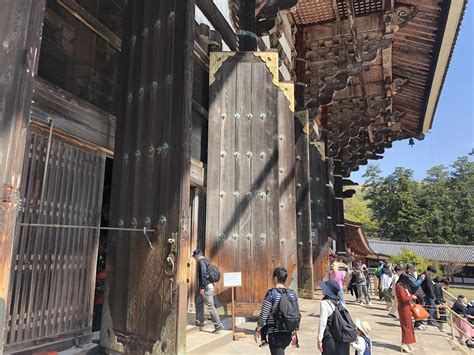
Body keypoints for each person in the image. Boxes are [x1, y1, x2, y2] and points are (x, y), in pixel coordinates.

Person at [255, 267, 299, 355]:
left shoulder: (272, 294)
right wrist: (295, 331)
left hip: (276, 333)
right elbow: (296, 312)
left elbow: (263, 315)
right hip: (288, 332)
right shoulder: (292, 294)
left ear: (275, 278)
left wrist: (258, 330)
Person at [192, 249, 224, 333]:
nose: (194, 258)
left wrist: (202, 287)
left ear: (197, 256)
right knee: (199, 302)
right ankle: (199, 321)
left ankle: (218, 325)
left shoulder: (201, 262)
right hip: (210, 285)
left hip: (206, 287)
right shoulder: (207, 261)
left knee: (210, 306)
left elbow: (204, 274)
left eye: (194, 257)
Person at [317, 280, 350, 355]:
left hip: (330, 339)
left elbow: (323, 323)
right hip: (342, 340)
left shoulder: (325, 303)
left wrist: (319, 340)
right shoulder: (341, 303)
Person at [396, 273, 417, 353]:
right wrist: (412, 297)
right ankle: (404, 344)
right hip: (403, 309)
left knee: (409, 326)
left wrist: (410, 295)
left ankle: (407, 343)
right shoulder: (400, 287)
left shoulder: (401, 286)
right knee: (406, 326)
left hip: (406, 308)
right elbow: (404, 298)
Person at [405, 263, 426, 331]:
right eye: (412, 269)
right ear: (409, 269)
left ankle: (419, 323)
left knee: (420, 308)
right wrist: (421, 279)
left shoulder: (411, 275)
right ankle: (417, 324)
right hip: (416, 294)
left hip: (418, 293)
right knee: (418, 309)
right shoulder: (408, 276)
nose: (414, 270)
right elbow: (415, 284)